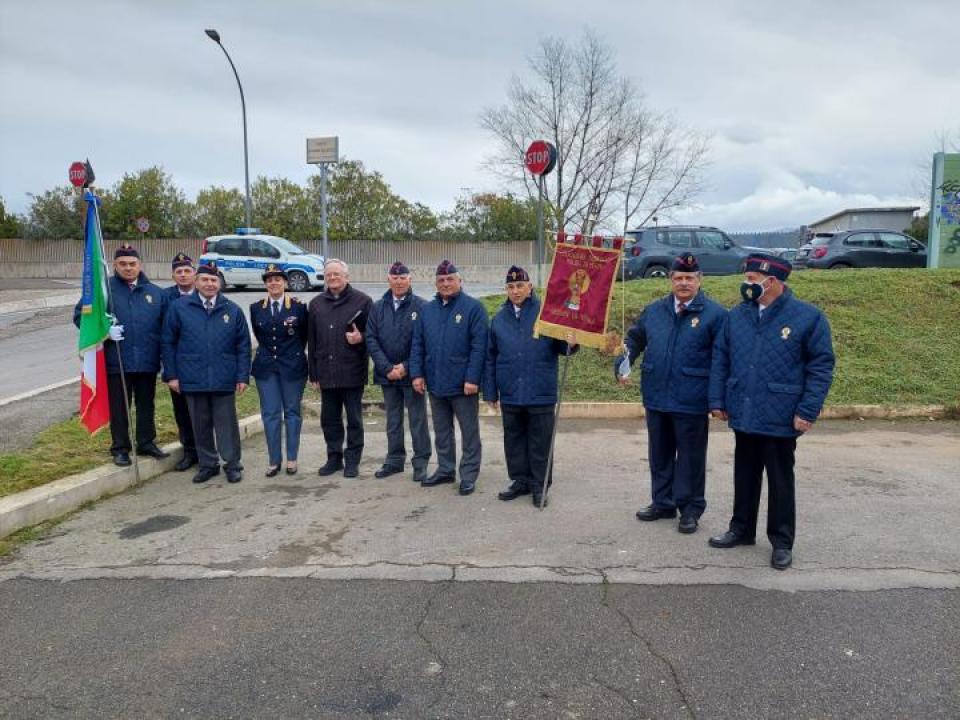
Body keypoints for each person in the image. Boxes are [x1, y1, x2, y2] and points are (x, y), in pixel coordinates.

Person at [708, 252, 835, 570]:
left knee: (780, 480)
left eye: (751, 280)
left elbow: (821, 367)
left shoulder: (808, 317)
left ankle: (781, 542)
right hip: (744, 409)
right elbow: (721, 358)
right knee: (744, 474)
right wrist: (718, 400)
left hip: (782, 412)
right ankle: (741, 529)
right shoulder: (737, 315)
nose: (746, 285)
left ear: (772, 281)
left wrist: (807, 410)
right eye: (747, 279)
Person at [614, 254, 726, 534]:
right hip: (657, 394)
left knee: (690, 457)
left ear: (699, 280)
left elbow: (722, 359)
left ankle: (689, 509)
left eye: (689, 278)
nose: (684, 283)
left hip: (692, 397)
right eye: (678, 278)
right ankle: (662, 502)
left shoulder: (715, 315)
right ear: (670, 280)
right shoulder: (654, 310)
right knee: (659, 453)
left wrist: (717, 399)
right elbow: (634, 339)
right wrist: (623, 362)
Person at [483, 266, 576, 509]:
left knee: (540, 441)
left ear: (530, 286)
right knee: (514, 439)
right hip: (511, 390)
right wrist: (491, 391)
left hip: (540, 390)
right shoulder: (499, 318)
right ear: (506, 289)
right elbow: (491, 357)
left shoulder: (548, 313)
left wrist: (571, 343)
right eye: (511, 287)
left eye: (520, 286)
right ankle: (520, 480)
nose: (515, 291)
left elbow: (562, 348)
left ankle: (539, 485)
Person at [73, 243, 169, 467]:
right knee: (120, 408)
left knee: (147, 405)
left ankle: (146, 442)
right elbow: (82, 317)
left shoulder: (155, 293)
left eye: (132, 264)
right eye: (123, 264)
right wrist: (105, 332)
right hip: (117, 360)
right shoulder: (102, 291)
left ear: (140, 265)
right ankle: (120, 448)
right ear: (114, 265)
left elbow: (167, 328)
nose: (128, 268)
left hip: (147, 360)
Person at [162, 262, 251, 484]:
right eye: (205, 280)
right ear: (196, 282)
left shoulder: (232, 310)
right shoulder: (179, 308)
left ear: (219, 283)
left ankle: (232, 464)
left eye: (213, 280)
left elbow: (243, 346)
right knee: (199, 424)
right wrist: (171, 375)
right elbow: (168, 342)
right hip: (192, 376)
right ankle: (208, 464)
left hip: (223, 377)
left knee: (226, 425)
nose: (209, 284)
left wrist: (242, 376)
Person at [410, 260, 488, 496]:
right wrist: (417, 374)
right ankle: (445, 469)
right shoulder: (427, 310)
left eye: (450, 279)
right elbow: (418, 344)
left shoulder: (474, 308)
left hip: (463, 385)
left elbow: (479, 347)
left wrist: (473, 378)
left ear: (459, 281)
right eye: (441, 280)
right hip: (436, 382)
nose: (445, 284)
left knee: (469, 432)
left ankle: (469, 474)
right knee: (442, 431)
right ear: (436, 283)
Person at [365, 261, 431, 482]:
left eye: (403, 277)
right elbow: (371, 339)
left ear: (410, 280)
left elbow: (424, 342)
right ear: (388, 280)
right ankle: (394, 460)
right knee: (393, 420)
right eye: (395, 277)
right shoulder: (377, 307)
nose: (399, 281)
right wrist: (387, 368)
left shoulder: (422, 307)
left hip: (412, 375)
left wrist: (406, 367)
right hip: (387, 375)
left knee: (417, 420)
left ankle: (421, 462)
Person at [307, 259, 373, 478]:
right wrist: (313, 372)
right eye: (328, 275)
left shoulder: (363, 301)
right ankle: (334, 458)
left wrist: (360, 338)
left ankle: (352, 461)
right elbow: (312, 340)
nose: (332, 278)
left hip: (352, 370)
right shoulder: (316, 304)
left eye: (337, 274)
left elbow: (372, 336)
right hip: (326, 370)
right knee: (329, 419)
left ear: (347, 276)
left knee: (354, 419)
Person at [250, 264, 308, 477]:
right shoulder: (256, 308)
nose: (273, 283)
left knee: (292, 413)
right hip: (266, 368)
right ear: (265, 284)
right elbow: (259, 335)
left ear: (285, 282)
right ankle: (274, 461)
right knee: (271, 414)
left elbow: (303, 337)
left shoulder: (299, 307)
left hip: (292, 367)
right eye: (269, 279)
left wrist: (291, 355)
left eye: (278, 279)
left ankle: (292, 459)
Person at [162, 252, 198, 471]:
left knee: (203, 412)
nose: (183, 275)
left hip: (201, 365)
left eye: (187, 271)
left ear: (194, 273)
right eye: (179, 272)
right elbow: (163, 338)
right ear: (173, 275)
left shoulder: (204, 292)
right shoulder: (164, 298)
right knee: (182, 412)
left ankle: (206, 451)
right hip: (177, 364)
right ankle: (189, 452)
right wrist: (169, 372)